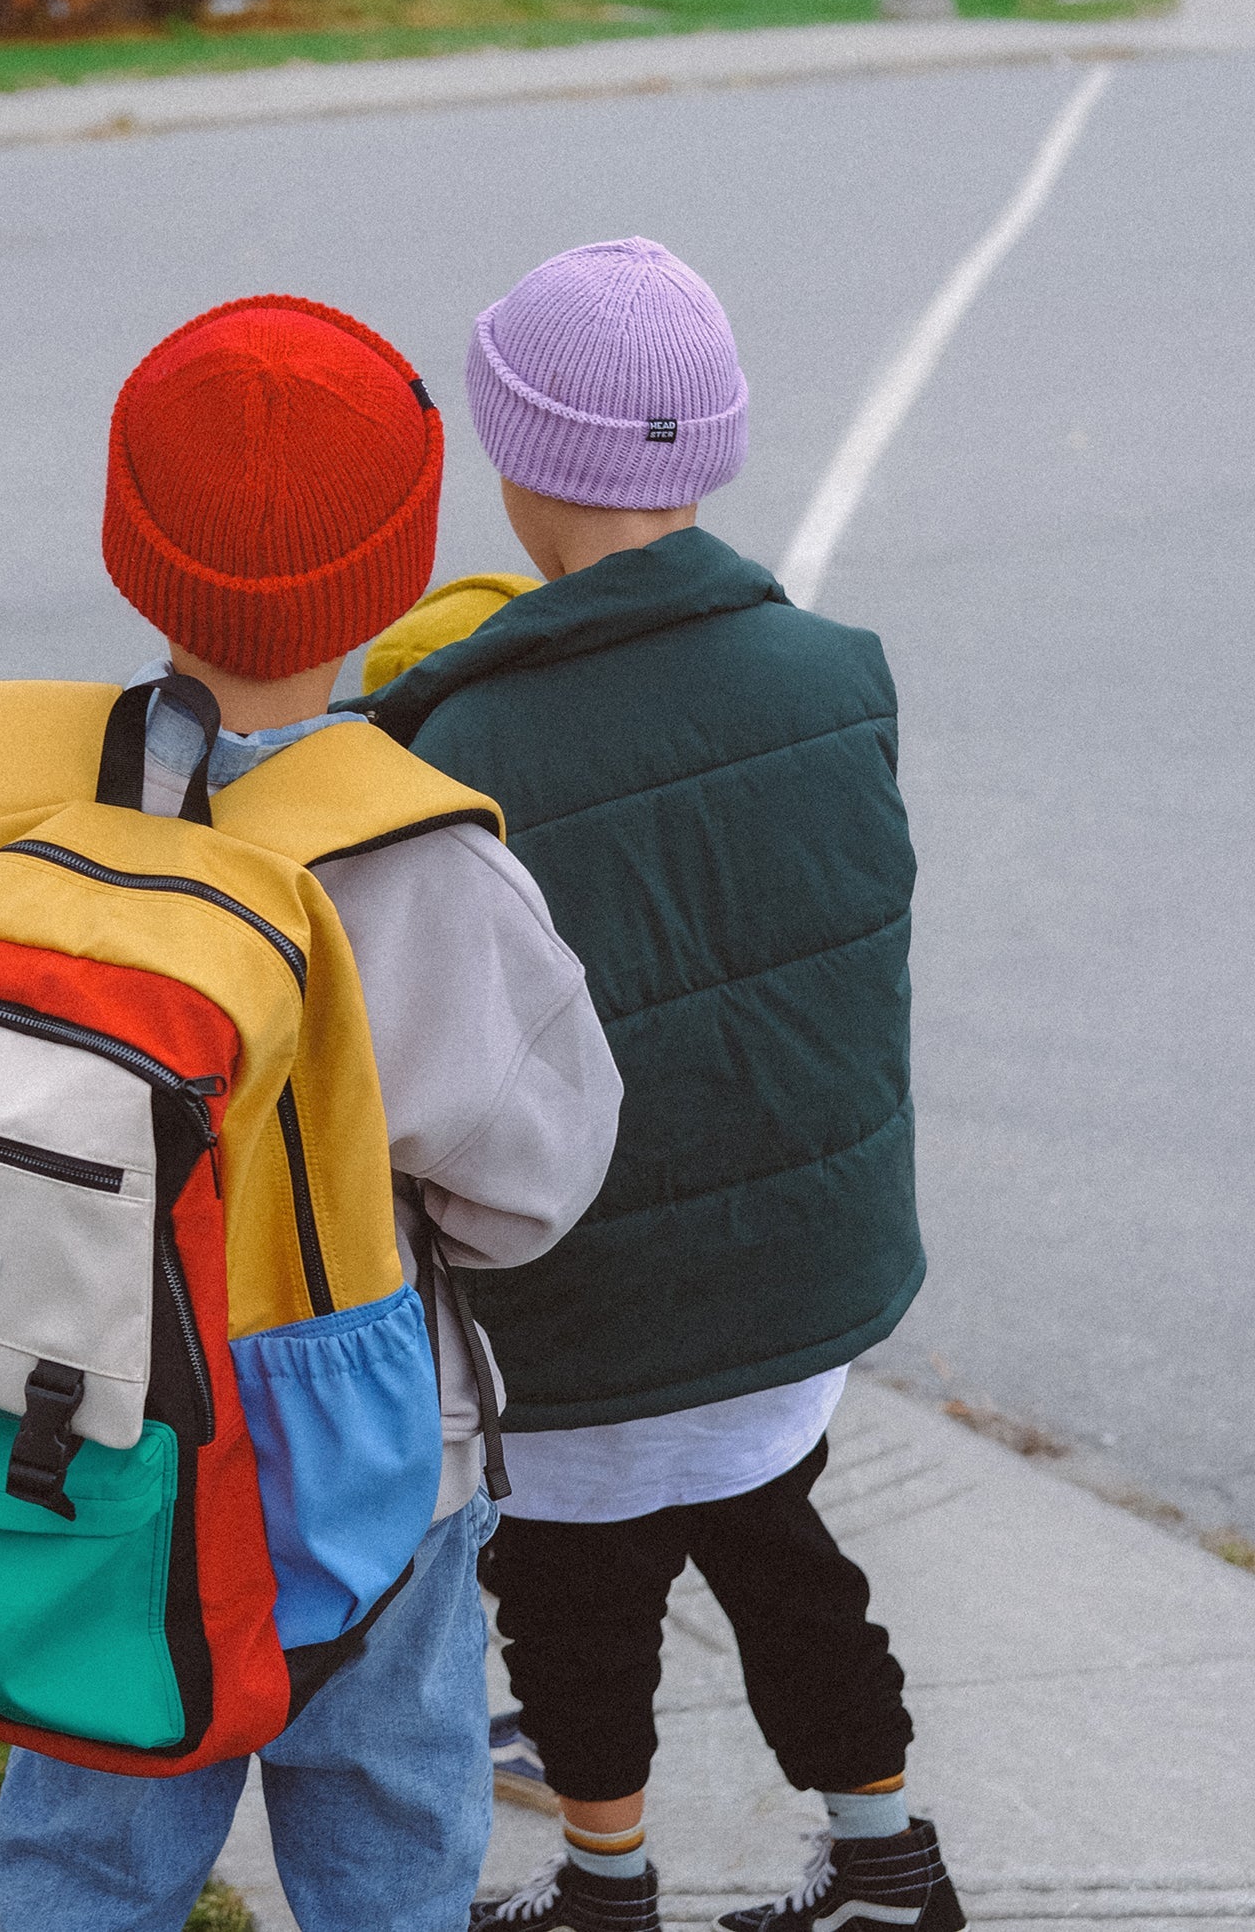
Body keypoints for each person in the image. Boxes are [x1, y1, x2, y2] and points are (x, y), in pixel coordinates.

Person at [0, 293, 622, 1932]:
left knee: (89, 1842)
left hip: (55, 1406)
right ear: (401, 568)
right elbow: (535, 1189)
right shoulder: (423, 861)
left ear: (129, 539)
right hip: (364, 1449)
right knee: (391, 1840)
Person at [359, 240, 966, 1932]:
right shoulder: (837, 672)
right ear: (714, 450)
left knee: (571, 1607)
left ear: (511, 455)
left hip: (580, 1310)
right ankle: (887, 1864)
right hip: (796, 1280)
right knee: (789, 1568)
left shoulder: (453, 746)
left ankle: (606, 1887)